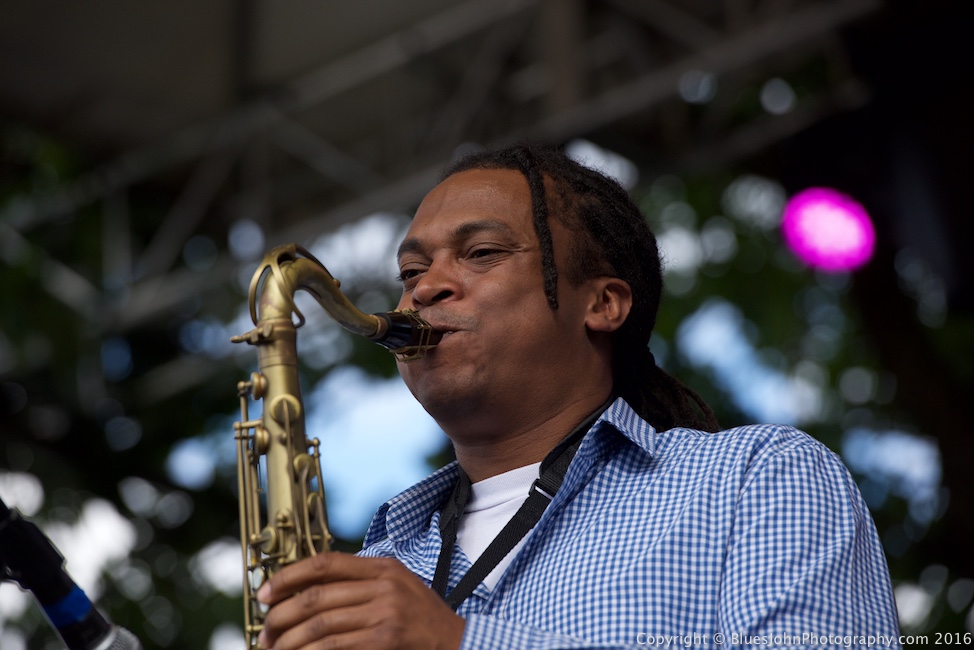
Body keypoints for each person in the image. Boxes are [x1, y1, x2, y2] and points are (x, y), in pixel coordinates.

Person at [255, 143, 901, 649]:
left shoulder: (756, 480)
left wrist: (457, 643)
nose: (423, 292)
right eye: (411, 272)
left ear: (603, 304)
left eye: (479, 252)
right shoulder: (372, 565)